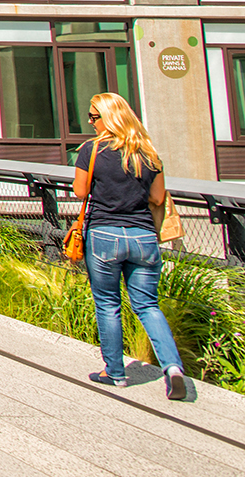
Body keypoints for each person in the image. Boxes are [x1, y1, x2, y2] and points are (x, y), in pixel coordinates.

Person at [74, 92, 190, 399]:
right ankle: (173, 368)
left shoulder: (92, 149)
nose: (90, 122)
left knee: (108, 305)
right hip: (143, 238)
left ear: (109, 117)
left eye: (94, 117)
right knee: (148, 306)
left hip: (105, 236)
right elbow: (157, 198)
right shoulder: (148, 152)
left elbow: (80, 191)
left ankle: (115, 373)